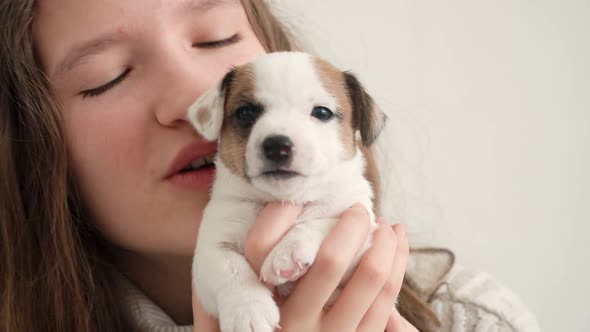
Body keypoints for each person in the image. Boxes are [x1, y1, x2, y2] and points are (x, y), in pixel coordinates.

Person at [0, 0, 540, 331]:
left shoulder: (469, 318)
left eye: (218, 38)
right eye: (108, 75)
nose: (195, 100)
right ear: (32, 145)